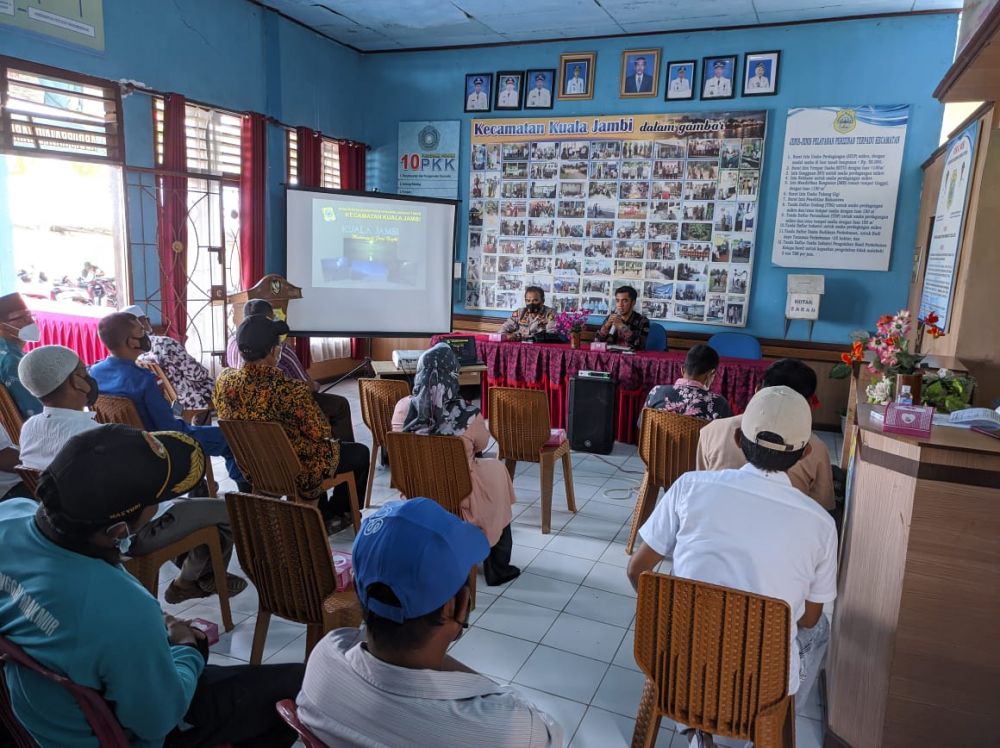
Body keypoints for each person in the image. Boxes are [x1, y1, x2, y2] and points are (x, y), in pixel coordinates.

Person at [0, 425, 303, 747]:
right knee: (295, 687)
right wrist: (188, 649)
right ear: (117, 531)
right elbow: (157, 720)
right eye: (156, 502)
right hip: (120, 735)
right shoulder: (122, 609)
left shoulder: (10, 514)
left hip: (37, 715)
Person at [627, 387, 838, 745]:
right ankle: (766, 729)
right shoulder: (820, 523)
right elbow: (809, 619)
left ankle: (698, 726)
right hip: (761, 683)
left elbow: (637, 570)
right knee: (820, 631)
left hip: (676, 663)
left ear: (739, 439)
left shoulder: (689, 486)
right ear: (804, 453)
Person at [297, 499, 562, 747]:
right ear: (455, 606)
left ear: (357, 587)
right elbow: (550, 735)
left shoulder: (324, 660)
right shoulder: (506, 728)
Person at [17, 344, 245, 603]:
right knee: (226, 512)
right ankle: (188, 582)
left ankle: (195, 567)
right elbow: (144, 500)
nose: (89, 376)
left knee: (194, 509)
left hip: (66, 531)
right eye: (83, 371)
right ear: (76, 382)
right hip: (122, 533)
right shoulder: (92, 439)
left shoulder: (30, 428)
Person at [214, 314, 370, 530]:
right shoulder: (290, 390)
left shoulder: (224, 381)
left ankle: (327, 512)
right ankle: (338, 512)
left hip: (254, 468)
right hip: (298, 470)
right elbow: (320, 430)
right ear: (272, 351)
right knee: (360, 453)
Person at [391, 343, 519, 586]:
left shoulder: (402, 408)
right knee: (497, 474)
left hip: (414, 489)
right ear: (453, 375)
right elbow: (481, 445)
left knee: (489, 472)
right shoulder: (468, 414)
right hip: (458, 493)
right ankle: (497, 567)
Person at [89, 312, 248, 488]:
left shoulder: (95, 372)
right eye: (141, 331)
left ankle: (199, 485)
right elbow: (171, 428)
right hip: (162, 445)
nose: (146, 334)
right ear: (132, 342)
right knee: (232, 437)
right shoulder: (143, 380)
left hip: (125, 448)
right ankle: (246, 491)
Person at [697, 358, 836, 511]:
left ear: (758, 390)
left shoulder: (712, 430)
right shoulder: (816, 448)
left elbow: (702, 487)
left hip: (717, 518)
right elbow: (822, 508)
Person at [226, 299, 355, 442]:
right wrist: (315, 385)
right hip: (281, 415)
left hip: (248, 420)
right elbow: (306, 387)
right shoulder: (282, 356)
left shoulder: (232, 343)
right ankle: (345, 450)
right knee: (340, 405)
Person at [121, 305, 215, 416]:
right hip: (190, 401)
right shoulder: (165, 343)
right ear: (146, 321)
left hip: (167, 402)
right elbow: (197, 374)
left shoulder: (133, 351)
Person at [643, 344, 733, 421]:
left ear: (682, 370)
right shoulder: (719, 403)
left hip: (658, 442)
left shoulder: (656, 392)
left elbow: (642, 426)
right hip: (697, 442)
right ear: (711, 374)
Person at [0, 292, 42, 419]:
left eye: (30, 315)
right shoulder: (12, 361)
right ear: (2, 326)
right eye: (22, 318)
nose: (30, 321)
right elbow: (37, 412)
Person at [595, 285, 650, 350]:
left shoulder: (642, 321)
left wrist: (622, 327)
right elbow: (597, 342)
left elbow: (640, 345)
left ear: (633, 302)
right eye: (618, 301)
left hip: (631, 358)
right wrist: (607, 325)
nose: (620, 305)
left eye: (624, 301)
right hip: (611, 357)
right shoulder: (610, 318)